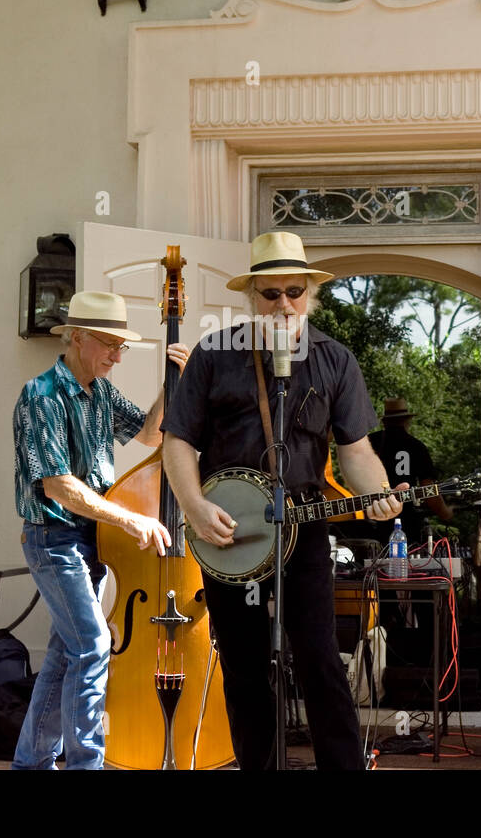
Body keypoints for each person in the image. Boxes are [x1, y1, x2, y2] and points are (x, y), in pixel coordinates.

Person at [161, 231, 403, 770]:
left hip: (304, 525)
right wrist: (195, 508)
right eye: (270, 293)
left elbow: (356, 451)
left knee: (319, 658)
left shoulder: (334, 360)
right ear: (252, 296)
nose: (284, 303)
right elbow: (177, 441)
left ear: (310, 293)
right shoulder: (213, 355)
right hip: (226, 531)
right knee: (245, 666)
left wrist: (380, 495)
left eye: (294, 291)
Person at [11, 290, 188, 770]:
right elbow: (59, 487)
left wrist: (172, 386)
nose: (116, 354)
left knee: (66, 656)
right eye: (108, 343)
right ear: (76, 337)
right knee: (92, 647)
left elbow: (149, 434)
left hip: (90, 541)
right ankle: (86, 763)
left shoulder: (102, 393)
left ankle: (30, 763)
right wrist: (130, 518)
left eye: (121, 346)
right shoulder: (41, 393)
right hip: (54, 539)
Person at [367, 397, 455, 545]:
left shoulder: (370, 442)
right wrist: (446, 512)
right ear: (406, 421)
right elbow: (428, 490)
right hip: (406, 520)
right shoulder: (416, 446)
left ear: (384, 421)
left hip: (373, 514)